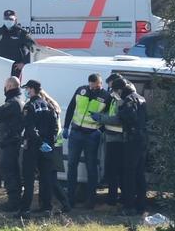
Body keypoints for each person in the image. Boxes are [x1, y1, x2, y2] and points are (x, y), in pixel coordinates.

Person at [96, 76, 148, 215]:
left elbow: (125, 117)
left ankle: (129, 207)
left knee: (128, 174)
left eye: (115, 91)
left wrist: (106, 117)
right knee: (139, 174)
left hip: (132, 139)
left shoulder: (129, 100)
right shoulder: (140, 97)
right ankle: (141, 206)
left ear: (119, 89)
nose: (115, 94)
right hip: (142, 138)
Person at [22, 79, 70, 215]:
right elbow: (55, 128)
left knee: (29, 178)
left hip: (33, 147)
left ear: (31, 89)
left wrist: (39, 142)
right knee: (46, 177)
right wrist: (48, 142)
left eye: (27, 89)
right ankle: (46, 207)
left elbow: (30, 128)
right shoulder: (49, 106)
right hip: (48, 147)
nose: (26, 91)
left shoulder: (29, 106)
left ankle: (25, 209)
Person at [63, 73, 111, 210]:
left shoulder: (106, 96)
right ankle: (70, 199)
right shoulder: (81, 90)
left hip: (91, 135)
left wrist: (99, 130)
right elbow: (71, 108)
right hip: (76, 133)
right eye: (91, 85)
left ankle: (91, 201)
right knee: (72, 165)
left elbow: (108, 115)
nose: (92, 88)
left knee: (91, 168)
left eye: (95, 86)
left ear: (100, 83)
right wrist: (66, 126)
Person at [0, 76, 28, 215]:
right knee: (13, 171)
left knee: (9, 171)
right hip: (15, 141)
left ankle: (13, 201)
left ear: (9, 86)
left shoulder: (13, 102)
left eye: (5, 86)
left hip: (10, 142)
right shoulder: (20, 100)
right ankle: (15, 199)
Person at [97, 74, 127, 207]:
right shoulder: (116, 97)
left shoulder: (121, 99)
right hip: (112, 136)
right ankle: (114, 198)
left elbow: (117, 118)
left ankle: (113, 199)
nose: (110, 91)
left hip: (117, 138)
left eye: (112, 88)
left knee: (114, 170)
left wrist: (100, 118)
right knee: (113, 170)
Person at [0, 10, 35, 77]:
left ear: (15, 20)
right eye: (6, 19)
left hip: (17, 68)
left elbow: (33, 48)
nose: (8, 21)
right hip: (2, 67)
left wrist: (24, 63)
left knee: (15, 86)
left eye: (10, 19)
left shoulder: (21, 33)